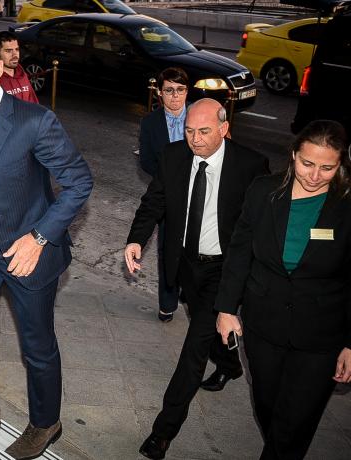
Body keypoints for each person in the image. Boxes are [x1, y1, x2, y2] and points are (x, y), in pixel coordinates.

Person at [0, 33, 92, 459]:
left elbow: (79, 182)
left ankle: (46, 423)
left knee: (36, 346)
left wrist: (40, 238)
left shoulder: (33, 121)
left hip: (28, 245)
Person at [124, 98, 269, 459]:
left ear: (224, 129)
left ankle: (163, 431)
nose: (195, 139)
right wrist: (136, 239)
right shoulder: (173, 156)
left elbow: (260, 228)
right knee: (208, 331)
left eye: (204, 131)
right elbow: (154, 202)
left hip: (225, 269)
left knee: (193, 349)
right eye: (189, 131)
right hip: (186, 264)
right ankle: (231, 364)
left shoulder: (251, 166)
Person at [215, 120, 351, 459]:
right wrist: (226, 308)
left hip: (322, 336)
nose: (315, 175)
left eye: (327, 168)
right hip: (264, 325)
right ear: (293, 155)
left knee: (295, 421)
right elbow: (239, 252)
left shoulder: (347, 206)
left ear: (340, 165)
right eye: (307, 163)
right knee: (268, 407)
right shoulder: (264, 191)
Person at [139, 67, 189, 323]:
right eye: (169, 90)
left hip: (199, 191)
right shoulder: (150, 122)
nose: (175, 95)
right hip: (167, 195)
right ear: (160, 93)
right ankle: (167, 302)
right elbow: (146, 161)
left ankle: (190, 291)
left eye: (180, 90)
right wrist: (167, 178)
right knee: (167, 248)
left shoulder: (199, 117)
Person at [0, 31, 38, 104]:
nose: (15, 55)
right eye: (8, 51)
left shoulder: (22, 74)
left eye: (17, 49)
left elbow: (34, 104)